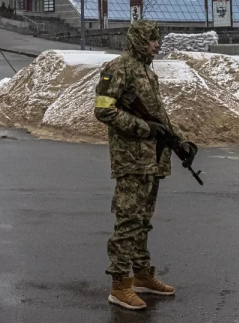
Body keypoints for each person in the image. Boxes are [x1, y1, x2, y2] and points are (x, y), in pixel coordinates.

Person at [94, 19, 192, 310]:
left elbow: (159, 116)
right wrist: (143, 128)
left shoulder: (147, 73)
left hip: (152, 160)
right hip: (131, 159)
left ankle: (142, 275)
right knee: (128, 223)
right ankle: (119, 284)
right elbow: (103, 110)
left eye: (157, 39)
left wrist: (179, 142)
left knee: (142, 223)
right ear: (138, 39)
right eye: (151, 39)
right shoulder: (118, 68)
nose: (157, 44)